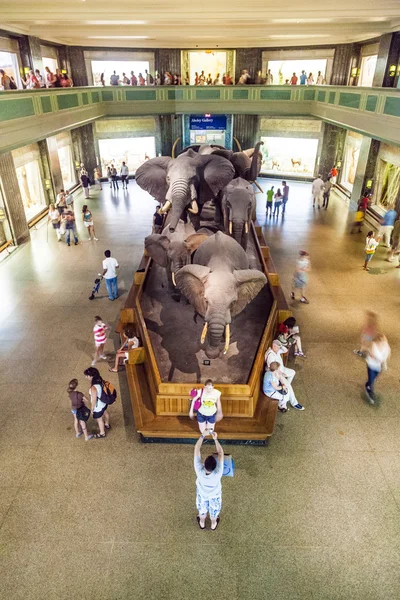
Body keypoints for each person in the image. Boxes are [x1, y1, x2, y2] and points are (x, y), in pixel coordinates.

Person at [194, 429, 224, 530]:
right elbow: (220, 453)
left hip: (202, 494)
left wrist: (203, 435)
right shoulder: (218, 473)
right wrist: (215, 439)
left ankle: (202, 522)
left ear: (204, 464)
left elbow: (197, 448)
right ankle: (213, 524)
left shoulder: (198, 469)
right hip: (214, 495)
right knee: (214, 512)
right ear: (215, 466)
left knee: (202, 511)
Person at [265, 340, 305, 410]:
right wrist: (281, 375)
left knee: (293, 372)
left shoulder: (276, 350)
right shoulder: (270, 355)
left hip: (282, 370)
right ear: (273, 346)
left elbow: (285, 350)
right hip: (277, 373)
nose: (278, 349)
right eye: (277, 347)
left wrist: (281, 346)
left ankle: (284, 388)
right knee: (289, 387)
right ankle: (294, 403)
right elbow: (272, 368)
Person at [84, 367, 111, 439]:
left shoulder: (93, 388)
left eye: (87, 375)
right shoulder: (100, 379)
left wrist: (92, 409)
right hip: (104, 402)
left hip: (98, 406)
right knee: (105, 412)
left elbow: (94, 400)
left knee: (99, 420)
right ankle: (107, 424)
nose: (86, 377)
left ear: (91, 376)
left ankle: (102, 433)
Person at [364, 333, 391, 404]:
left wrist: (384, 362)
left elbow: (388, 353)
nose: (383, 343)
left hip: (378, 366)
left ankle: (367, 385)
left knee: (374, 378)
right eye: (381, 342)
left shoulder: (386, 346)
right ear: (378, 341)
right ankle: (370, 393)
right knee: (372, 380)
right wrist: (378, 359)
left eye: (384, 341)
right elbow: (374, 355)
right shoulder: (374, 345)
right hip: (371, 365)